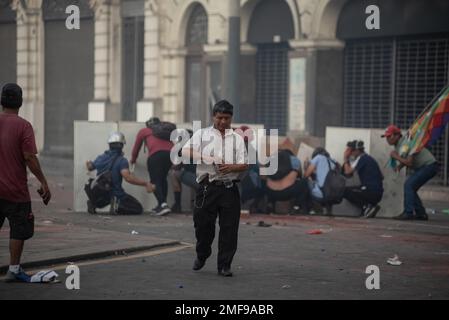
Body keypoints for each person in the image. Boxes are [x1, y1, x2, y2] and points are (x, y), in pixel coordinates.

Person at [182, 100, 248, 277]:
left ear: (231, 118)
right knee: (203, 226)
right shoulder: (202, 135)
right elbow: (185, 151)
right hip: (207, 188)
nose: (223, 122)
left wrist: (232, 167)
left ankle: (224, 265)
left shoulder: (237, 139)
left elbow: (244, 164)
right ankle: (202, 254)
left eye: (227, 118)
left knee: (229, 229)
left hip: (229, 189)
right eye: (220, 118)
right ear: (213, 116)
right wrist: (207, 157)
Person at [0, 83, 51, 282]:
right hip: (15, 191)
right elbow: (29, 157)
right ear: (20, 103)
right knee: (18, 228)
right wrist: (43, 182)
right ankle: (13, 269)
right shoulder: (23, 126)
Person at [86, 132, 155, 215]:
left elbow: (90, 167)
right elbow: (128, 178)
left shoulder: (101, 157)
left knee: (105, 194)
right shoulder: (122, 161)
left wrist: (88, 163)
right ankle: (116, 206)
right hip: (116, 194)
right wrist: (145, 183)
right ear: (121, 145)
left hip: (101, 194)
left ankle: (93, 204)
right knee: (138, 208)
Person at [383, 125, 438, 220]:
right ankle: (421, 213)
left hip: (429, 166)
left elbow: (409, 162)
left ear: (397, 135)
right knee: (411, 188)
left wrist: (396, 156)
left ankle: (408, 213)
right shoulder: (399, 145)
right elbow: (406, 158)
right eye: (386, 137)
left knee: (408, 186)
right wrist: (399, 166)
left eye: (389, 136)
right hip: (426, 166)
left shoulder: (406, 143)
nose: (387, 139)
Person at [131, 117, 174, 216]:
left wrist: (133, 160)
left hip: (155, 156)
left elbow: (136, 147)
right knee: (162, 179)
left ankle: (163, 205)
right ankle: (161, 204)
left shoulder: (144, 131)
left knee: (154, 181)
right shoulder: (166, 131)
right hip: (170, 155)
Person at [342, 140, 384, 218]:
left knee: (344, 191)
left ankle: (367, 207)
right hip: (377, 192)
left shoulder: (361, 158)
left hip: (371, 192)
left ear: (357, 150)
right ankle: (370, 207)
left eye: (351, 151)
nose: (350, 153)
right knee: (358, 187)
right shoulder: (369, 158)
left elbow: (347, 172)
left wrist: (345, 158)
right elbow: (382, 176)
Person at [265, 148, 310, 215]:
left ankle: (270, 204)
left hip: (271, 192)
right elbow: (300, 176)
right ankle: (296, 207)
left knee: (263, 182)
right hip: (287, 192)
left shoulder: (271, 160)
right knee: (304, 183)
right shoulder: (295, 160)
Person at [170, 129, 199, 213]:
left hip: (197, 179)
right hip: (207, 178)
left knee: (174, 174)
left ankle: (177, 205)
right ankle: (196, 205)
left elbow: (176, 167)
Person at [303, 147, 337, 214]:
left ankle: (311, 209)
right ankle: (328, 211)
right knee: (327, 186)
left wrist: (306, 165)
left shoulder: (318, 157)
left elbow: (306, 175)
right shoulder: (333, 161)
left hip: (320, 195)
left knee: (304, 182)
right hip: (334, 195)